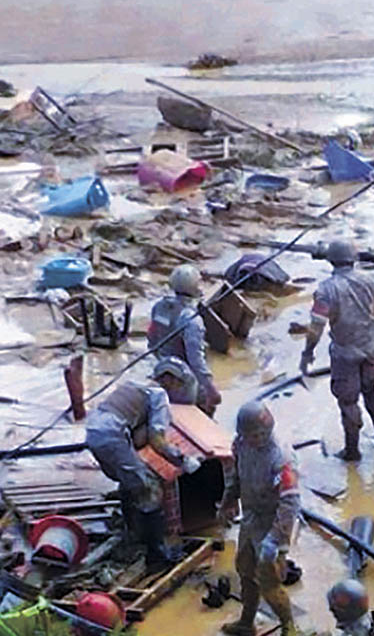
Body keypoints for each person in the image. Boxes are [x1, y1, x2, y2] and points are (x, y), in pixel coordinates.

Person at [84, 359, 202, 573]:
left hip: (93, 432)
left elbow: (138, 436)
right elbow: (157, 442)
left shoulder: (135, 385)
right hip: (112, 436)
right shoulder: (158, 395)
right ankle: (156, 556)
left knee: (130, 481)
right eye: (177, 383)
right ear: (168, 379)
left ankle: (134, 533)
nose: (178, 388)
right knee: (149, 489)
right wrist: (183, 461)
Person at [300, 240, 374, 461]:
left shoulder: (325, 290)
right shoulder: (370, 280)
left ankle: (352, 450)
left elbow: (316, 327)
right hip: (371, 350)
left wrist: (307, 353)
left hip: (345, 355)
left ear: (331, 260)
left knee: (348, 402)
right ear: (354, 259)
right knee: (371, 392)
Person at [218, 402, 301, 636]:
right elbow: (237, 477)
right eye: (250, 435)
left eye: (258, 435)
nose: (254, 439)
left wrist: (275, 539)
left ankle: (289, 628)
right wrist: (226, 502)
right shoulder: (241, 445)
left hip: (274, 522)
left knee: (270, 581)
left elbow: (290, 502)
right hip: (251, 517)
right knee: (245, 572)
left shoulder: (282, 456)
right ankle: (247, 622)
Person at [147, 264, 221, 416]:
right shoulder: (191, 320)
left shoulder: (159, 307)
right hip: (185, 379)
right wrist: (211, 389)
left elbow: (152, 341)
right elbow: (196, 360)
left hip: (162, 371)